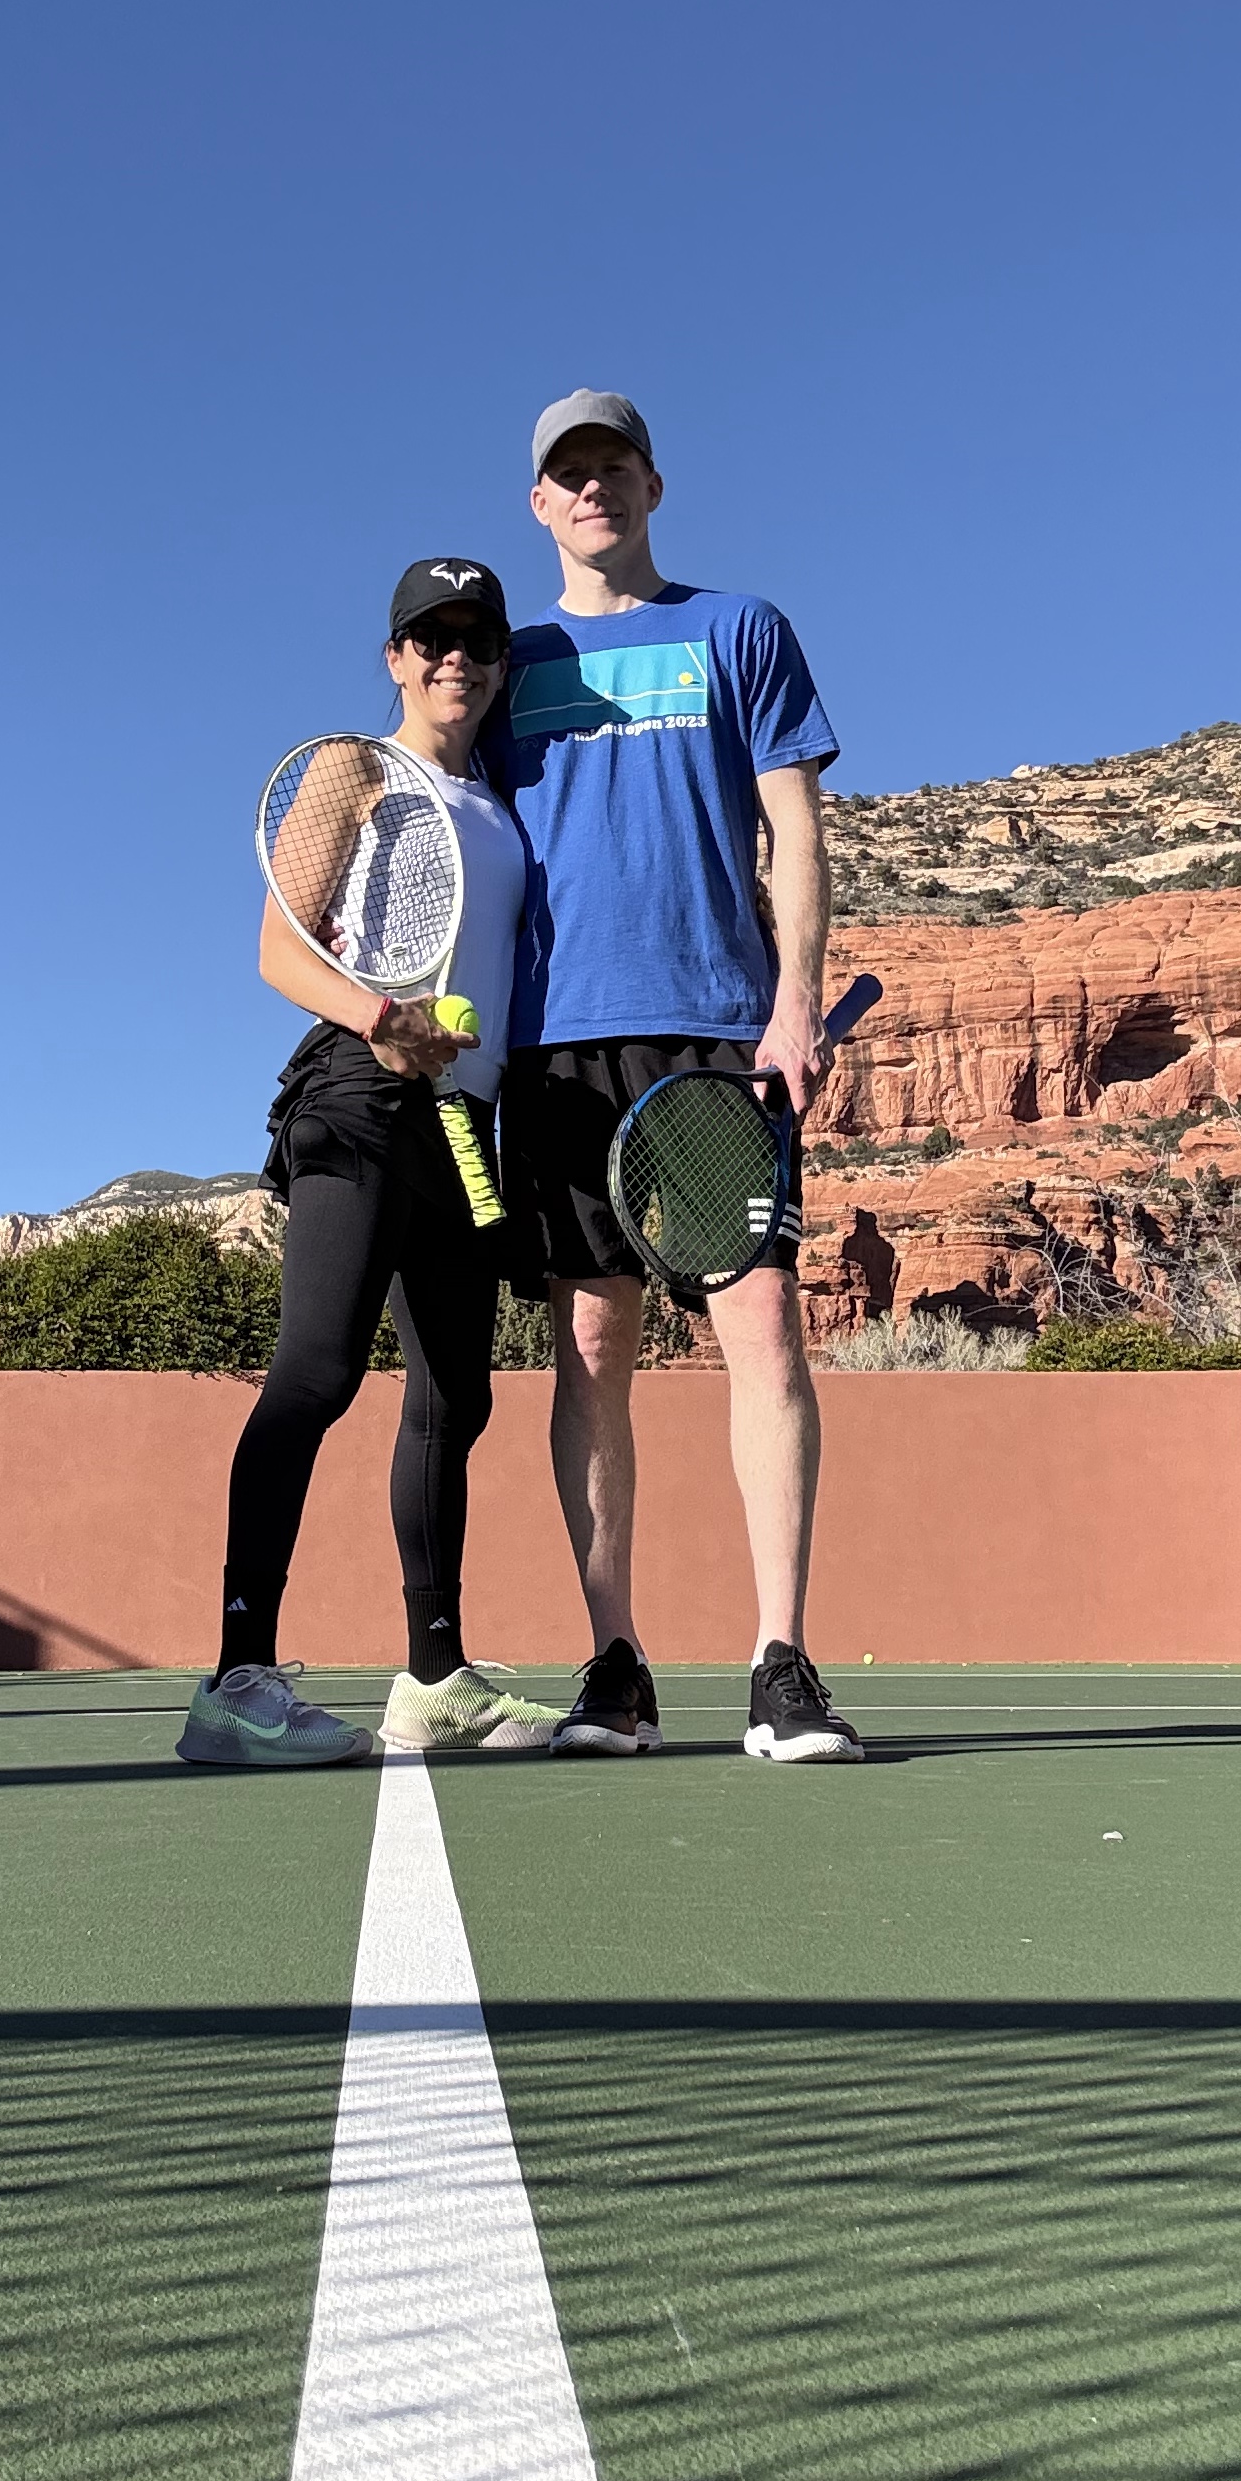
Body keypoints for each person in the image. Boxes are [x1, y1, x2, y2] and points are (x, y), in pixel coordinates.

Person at [488, 393, 865, 1763]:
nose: (593, 488)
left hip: (716, 1037)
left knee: (762, 1333)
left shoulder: (739, 629)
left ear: (653, 485)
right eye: (569, 474)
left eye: (614, 466)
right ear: (541, 503)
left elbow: (795, 829)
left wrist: (794, 1000)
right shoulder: (507, 663)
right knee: (591, 1352)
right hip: (556, 1051)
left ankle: (782, 1663)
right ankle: (615, 1666)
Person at [178, 559, 565, 1767]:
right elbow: (276, 949)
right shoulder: (354, 766)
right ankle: (237, 1680)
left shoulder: (503, 801)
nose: (457, 657)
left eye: (478, 639)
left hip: (461, 1120)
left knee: (458, 1397)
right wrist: (378, 1016)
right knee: (317, 1369)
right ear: (395, 657)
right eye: (430, 636)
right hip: (357, 1093)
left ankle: (437, 1679)